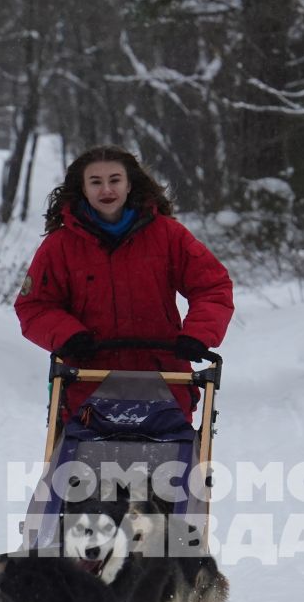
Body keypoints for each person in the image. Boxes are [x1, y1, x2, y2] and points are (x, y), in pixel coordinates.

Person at [14, 145, 233, 420]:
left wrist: (197, 334)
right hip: (87, 382)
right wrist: (68, 335)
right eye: (96, 182)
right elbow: (35, 306)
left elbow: (212, 287)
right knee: (83, 462)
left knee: (170, 462)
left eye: (114, 180)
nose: (107, 190)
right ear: (82, 188)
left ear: (130, 185)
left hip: (163, 381)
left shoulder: (168, 235)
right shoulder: (60, 246)